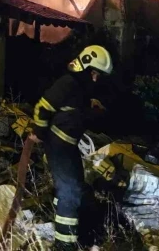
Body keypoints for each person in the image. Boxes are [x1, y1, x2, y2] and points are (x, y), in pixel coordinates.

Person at [28, 44, 114, 250]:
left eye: (98, 75)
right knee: (70, 192)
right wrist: (39, 132)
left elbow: (74, 110)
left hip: (68, 146)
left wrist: (91, 106)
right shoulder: (68, 83)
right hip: (59, 146)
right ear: (85, 67)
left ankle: (69, 221)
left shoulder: (79, 87)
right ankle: (64, 244)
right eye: (94, 74)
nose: (95, 79)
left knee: (74, 187)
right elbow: (43, 107)